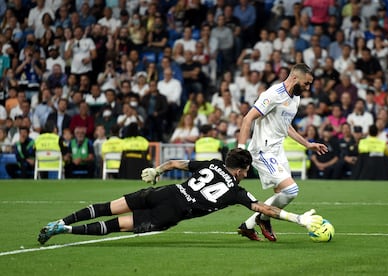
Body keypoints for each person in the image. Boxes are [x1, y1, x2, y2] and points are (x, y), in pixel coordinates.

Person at [37, 148, 323, 245]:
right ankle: (66, 230)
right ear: (241, 169)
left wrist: (156, 171)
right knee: (116, 225)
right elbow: (264, 208)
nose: (247, 174)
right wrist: (298, 219)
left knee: (107, 206)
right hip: (170, 213)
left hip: (165, 192)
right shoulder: (236, 190)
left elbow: (174, 164)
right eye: (246, 170)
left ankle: (59, 220)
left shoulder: (211, 163)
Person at [236, 63, 328, 242]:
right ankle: (263, 219)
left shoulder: (296, 97)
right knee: (291, 190)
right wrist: (240, 149)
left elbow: (286, 126)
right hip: (263, 150)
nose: (308, 88)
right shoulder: (273, 95)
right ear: (295, 78)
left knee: (282, 193)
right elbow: (248, 119)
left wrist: (307, 144)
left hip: (277, 150)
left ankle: (249, 225)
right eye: (306, 84)